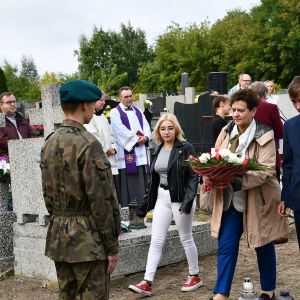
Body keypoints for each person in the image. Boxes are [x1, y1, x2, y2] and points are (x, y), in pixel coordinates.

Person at [40, 80, 120, 300]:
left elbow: (47, 193)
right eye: (93, 103)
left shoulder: (49, 142)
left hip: (59, 237)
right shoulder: (88, 143)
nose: (95, 108)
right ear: (84, 105)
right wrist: (111, 246)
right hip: (88, 241)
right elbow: (101, 199)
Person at [207, 89, 288, 300]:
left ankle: (267, 291)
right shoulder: (226, 131)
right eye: (233, 110)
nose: (235, 114)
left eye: (240, 110)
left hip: (257, 201)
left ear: (253, 111)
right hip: (230, 201)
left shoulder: (265, 133)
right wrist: (210, 174)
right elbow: (215, 155)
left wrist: (234, 179)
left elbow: (266, 170)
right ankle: (221, 293)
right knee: (226, 246)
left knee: (263, 244)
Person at [128, 113, 202, 296]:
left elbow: (194, 176)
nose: (166, 132)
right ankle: (147, 281)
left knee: (185, 237)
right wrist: (147, 202)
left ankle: (195, 275)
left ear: (176, 129)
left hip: (180, 198)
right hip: (162, 197)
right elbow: (151, 179)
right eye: (162, 129)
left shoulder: (186, 148)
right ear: (158, 131)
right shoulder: (156, 149)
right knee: (156, 240)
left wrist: (188, 201)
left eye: (170, 128)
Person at [110, 86, 151, 208]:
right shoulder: (115, 112)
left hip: (141, 151)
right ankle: (129, 206)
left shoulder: (138, 111)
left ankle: (144, 205)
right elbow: (119, 131)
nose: (129, 99)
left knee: (142, 180)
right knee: (130, 181)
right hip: (126, 152)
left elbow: (146, 127)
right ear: (120, 98)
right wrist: (136, 141)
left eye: (130, 96)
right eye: (126, 97)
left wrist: (146, 137)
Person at [278, 75, 300, 250]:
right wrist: (285, 196)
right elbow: (289, 164)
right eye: (294, 102)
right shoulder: (290, 126)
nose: (298, 106)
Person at [250, 81, 283, 182]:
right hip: (269, 154)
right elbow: (280, 133)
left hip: (249, 156)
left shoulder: (245, 108)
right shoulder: (271, 108)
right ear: (264, 93)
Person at [84, 91, 118, 175]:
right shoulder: (89, 117)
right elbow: (93, 136)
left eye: (104, 100)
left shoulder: (103, 117)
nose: (104, 102)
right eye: (101, 100)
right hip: (99, 157)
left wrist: (113, 148)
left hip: (110, 156)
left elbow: (111, 134)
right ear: (93, 101)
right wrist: (107, 149)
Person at [0, 92, 36, 156]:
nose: (13, 104)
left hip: (28, 153)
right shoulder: (1, 118)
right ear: (1, 105)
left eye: (14, 101)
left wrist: (32, 146)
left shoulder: (21, 117)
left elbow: (32, 135)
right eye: (9, 102)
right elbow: (2, 140)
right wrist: (21, 147)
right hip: (8, 157)